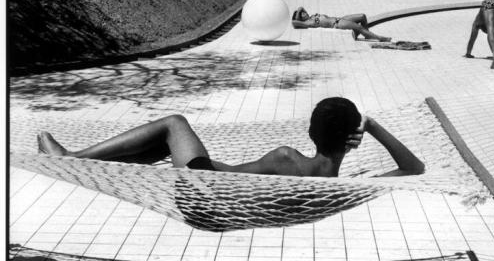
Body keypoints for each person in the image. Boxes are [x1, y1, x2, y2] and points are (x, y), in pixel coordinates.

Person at [37, 97, 425, 178]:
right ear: (350, 139)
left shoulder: (289, 157)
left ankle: (71, 159)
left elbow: (228, 178)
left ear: (311, 132)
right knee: (156, 150)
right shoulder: (338, 186)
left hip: (207, 189)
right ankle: (83, 166)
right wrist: (371, 127)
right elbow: (413, 168)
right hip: (215, 196)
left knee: (173, 123)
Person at [292, 7, 391, 42]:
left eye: (304, 12)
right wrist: (297, 15)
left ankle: (367, 34)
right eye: (302, 14)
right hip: (337, 24)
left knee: (362, 16)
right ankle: (379, 38)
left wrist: (299, 11)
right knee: (359, 27)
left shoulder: (312, 17)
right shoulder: (307, 23)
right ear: (301, 18)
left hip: (340, 18)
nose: (305, 12)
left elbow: (301, 7)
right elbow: (294, 22)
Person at [464, 0, 494, 70]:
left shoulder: (476, 24)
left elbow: (472, 39)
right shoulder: (479, 22)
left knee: (490, 29)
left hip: (487, 4)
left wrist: (468, 53)